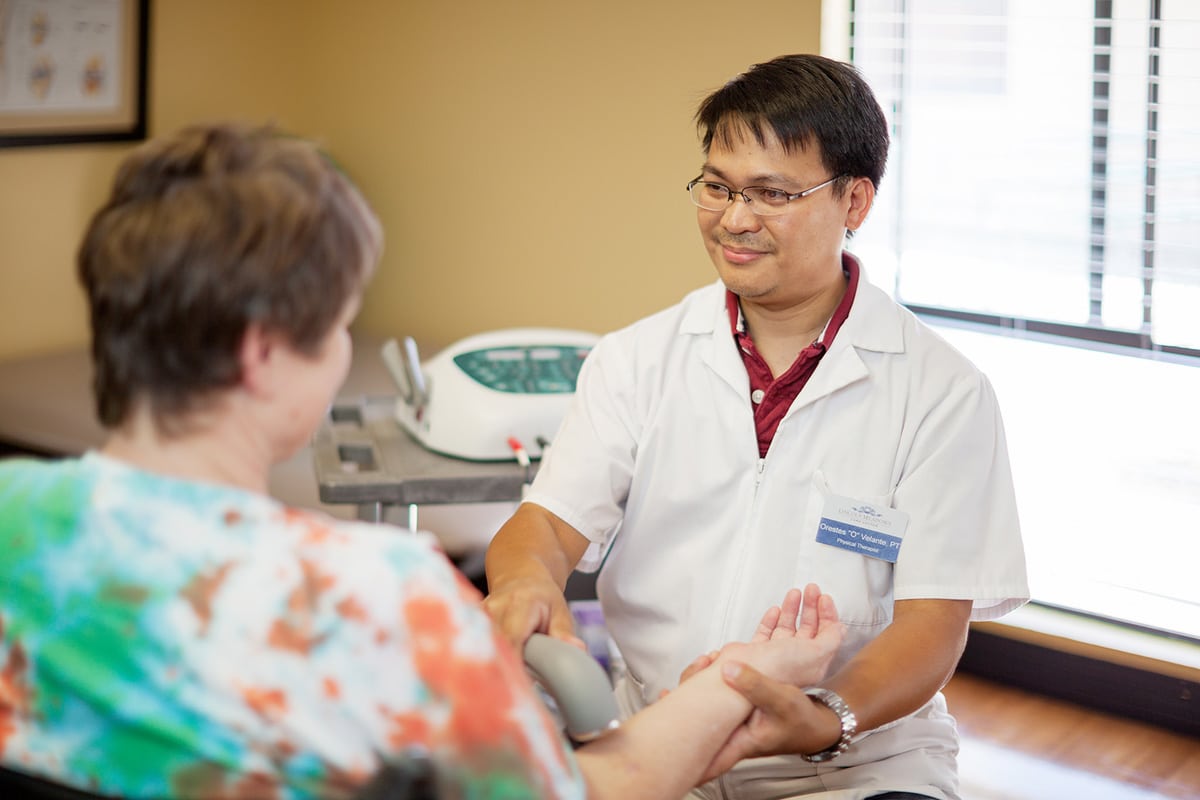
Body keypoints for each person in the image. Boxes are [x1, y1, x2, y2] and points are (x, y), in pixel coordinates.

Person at [0, 122, 848, 800]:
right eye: (335, 328)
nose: (340, 353)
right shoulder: (376, 595)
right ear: (261, 354)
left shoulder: (12, 512)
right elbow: (595, 787)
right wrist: (750, 676)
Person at [483, 54, 1030, 800]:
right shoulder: (636, 361)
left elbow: (932, 624)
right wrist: (520, 580)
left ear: (855, 202)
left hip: (851, 761)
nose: (735, 219)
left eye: (771, 193)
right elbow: (546, 527)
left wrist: (824, 717)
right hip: (654, 740)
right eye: (717, 186)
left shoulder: (942, 393)